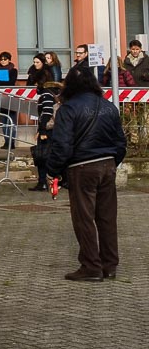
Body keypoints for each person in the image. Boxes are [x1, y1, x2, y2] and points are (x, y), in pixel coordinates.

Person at [45, 66, 126, 282]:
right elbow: (120, 142)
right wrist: (113, 162)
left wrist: (53, 171)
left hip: (81, 167)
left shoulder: (68, 109)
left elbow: (62, 145)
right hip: (107, 164)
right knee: (107, 218)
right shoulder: (109, 107)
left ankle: (91, 266)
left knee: (84, 218)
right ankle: (110, 265)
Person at [29, 78, 59, 192]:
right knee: (51, 155)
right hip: (55, 129)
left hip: (47, 130)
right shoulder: (55, 93)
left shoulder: (46, 94)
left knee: (42, 156)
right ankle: (54, 180)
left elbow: (47, 112)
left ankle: (43, 182)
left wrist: (41, 130)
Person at [0, 52, 19, 150]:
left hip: (10, 98)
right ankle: (6, 141)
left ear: (9, 60)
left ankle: (11, 142)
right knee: (3, 121)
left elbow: (11, 82)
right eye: (1, 59)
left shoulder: (13, 70)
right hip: (0, 98)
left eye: (5, 59)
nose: (3, 61)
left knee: (11, 120)